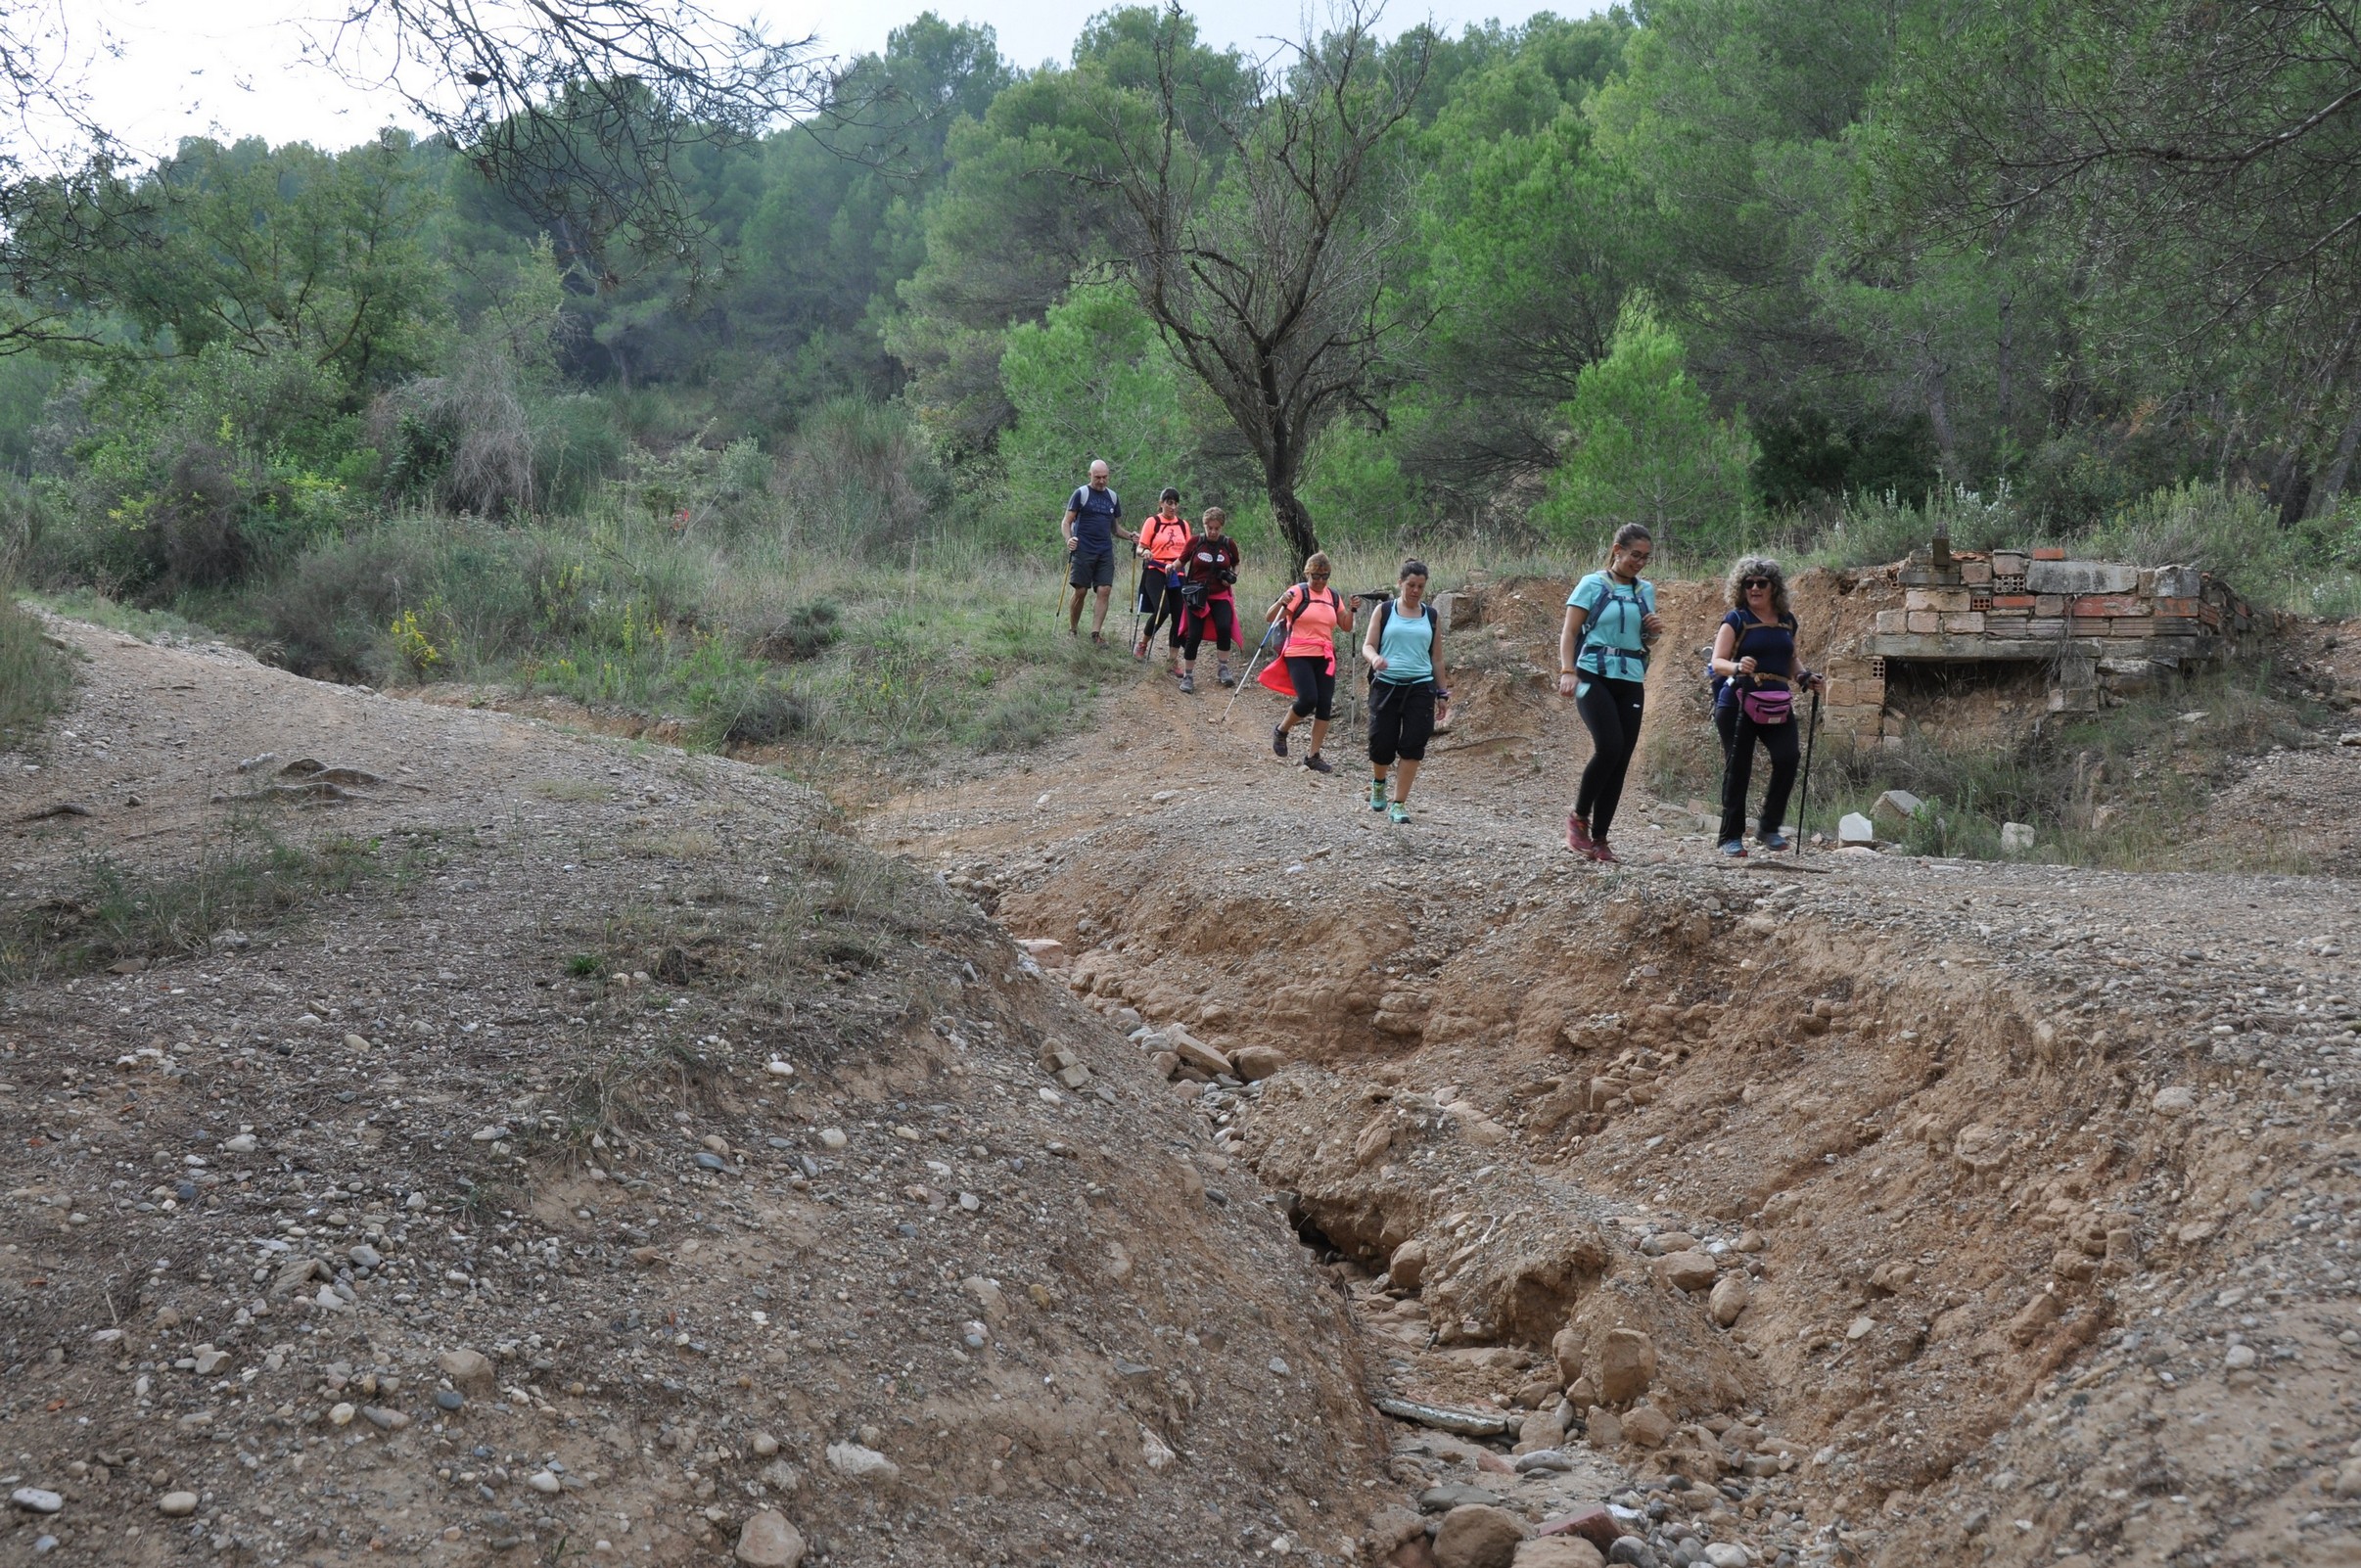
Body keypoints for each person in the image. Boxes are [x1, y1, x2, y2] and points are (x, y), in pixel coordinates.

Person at [1557, 524, 1663, 864]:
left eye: (1645, 558)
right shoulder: (1591, 584)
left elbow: (1644, 640)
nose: (1639, 563)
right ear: (1617, 550)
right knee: (1610, 746)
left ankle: (1600, 839)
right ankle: (1578, 818)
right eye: (1635, 555)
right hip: (1592, 674)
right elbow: (1569, 632)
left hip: (1630, 677)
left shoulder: (1645, 591)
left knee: (1621, 758)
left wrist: (1653, 633)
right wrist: (1567, 671)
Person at [1708, 556, 1822, 856]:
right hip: (1737, 700)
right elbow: (1717, 662)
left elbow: (1790, 657)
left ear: (1775, 587)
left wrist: (1804, 676)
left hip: (1776, 702)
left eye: (1761, 583)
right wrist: (1737, 666)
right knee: (1739, 767)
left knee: (1788, 757)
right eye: (1748, 583)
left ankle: (1769, 828)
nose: (1754, 588)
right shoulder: (1736, 619)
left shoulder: (1787, 621)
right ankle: (1730, 837)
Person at [1364, 559, 1450, 824]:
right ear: (1400, 583)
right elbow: (1368, 645)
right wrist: (1375, 659)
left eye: (1420, 586)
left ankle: (1399, 804)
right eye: (1411, 585)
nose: (1415, 590)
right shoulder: (1384, 610)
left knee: (1413, 745)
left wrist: (1442, 693)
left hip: (1421, 687)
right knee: (1381, 743)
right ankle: (1379, 782)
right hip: (1386, 685)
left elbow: (1437, 658)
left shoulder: (1431, 616)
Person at [1266, 550, 1356, 773]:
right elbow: (1270, 618)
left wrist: (1352, 610)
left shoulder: (1333, 596)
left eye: (1325, 576)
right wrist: (1281, 602)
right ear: (1308, 573)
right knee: (1308, 699)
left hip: (1325, 656)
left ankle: (1313, 756)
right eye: (1316, 576)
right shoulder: (1297, 592)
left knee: (1324, 704)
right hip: (1298, 653)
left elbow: (1346, 626)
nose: (1320, 581)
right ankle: (1282, 730)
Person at [1174, 507, 1242, 694]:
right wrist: (1170, 567)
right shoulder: (1195, 542)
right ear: (1204, 525)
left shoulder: (1228, 544)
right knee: (1194, 635)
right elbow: (1181, 561)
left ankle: (1223, 668)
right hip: (1197, 596)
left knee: (1224, 628)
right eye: (1209, 527)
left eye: (1216, 528)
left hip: (1221, 594)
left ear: (1222, 527)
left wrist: (1233, 575)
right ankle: (1188, 676)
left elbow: (1236, 563)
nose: (1212, 532)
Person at [1061, 459, 1123, 642]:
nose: (1101, 481)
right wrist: (1069, 539)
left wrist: (1132, 536)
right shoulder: (1081, 493)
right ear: (1090, 475)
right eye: (1097, 477)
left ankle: (1095, 634)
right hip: (1083, 549)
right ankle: (1073, 629)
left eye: (1105, 477)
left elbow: (1116, 529)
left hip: (1105, 551)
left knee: (1105, 590)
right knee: (1081, 591)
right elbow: (1066, 522)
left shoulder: (1112, 497)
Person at [1134, 487, 1192, 668]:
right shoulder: (1152, 522)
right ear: (1161, 503)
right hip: (1155, 569)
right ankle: (1143, 644)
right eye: (1169, 503)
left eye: (1175, 503)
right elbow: (1140, 547)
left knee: (1179, 614)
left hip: (1177, 572)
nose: (1173, 507)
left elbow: (1189, 551)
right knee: (1163, 609)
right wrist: (1145, 552)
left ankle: (1172, 659)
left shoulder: (1183, 525)